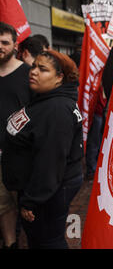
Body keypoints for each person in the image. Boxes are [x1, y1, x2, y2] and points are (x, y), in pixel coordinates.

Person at [1, 50, 83, 249]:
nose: (34, 71)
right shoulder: (44, 99)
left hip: (46, 195)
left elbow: (50, 163)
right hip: (37, 190)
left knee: (47, 242)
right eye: (34, 66)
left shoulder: (56, 109)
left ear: (59, 78)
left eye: (43, 69)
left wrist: (32, 201)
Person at [0, 22, 33, 249]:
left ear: (15, 45)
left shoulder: (28, 74)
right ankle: (11, 244)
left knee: (26, 206)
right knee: (4, 206)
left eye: (4, 42)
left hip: (23, 155)